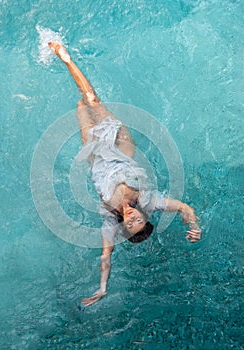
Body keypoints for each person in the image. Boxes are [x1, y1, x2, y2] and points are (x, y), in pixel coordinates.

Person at [48, 42, 202, 307]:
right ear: (145, 215)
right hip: (121, 146)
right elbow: (184, 208)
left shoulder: (110, 218)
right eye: (139, 220)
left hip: (95, 155)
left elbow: (106, 257)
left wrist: (102, 288)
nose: (132, 218)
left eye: (130, 225)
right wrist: (194, 226)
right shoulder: (150, 201)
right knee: (92, 100)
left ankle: (73, 77)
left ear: (124, 227)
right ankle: (66, 58)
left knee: (79, 107)